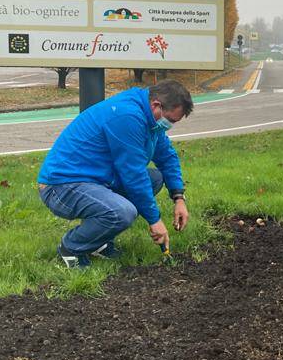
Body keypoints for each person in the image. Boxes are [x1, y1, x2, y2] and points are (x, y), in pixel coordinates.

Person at [38, 79, 193, 268]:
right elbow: (133, 175)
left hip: (95, 180)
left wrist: (179, 198)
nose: (169, 125)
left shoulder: (150, 117)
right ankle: (71, 248)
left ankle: (99, 242)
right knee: (122, 212)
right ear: (156, 105)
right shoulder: (127, 116)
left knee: (155, 179)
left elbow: (166, 156)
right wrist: (155, 220)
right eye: (171, 120)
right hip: (62, 185)